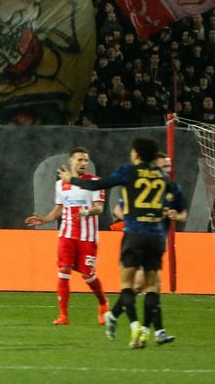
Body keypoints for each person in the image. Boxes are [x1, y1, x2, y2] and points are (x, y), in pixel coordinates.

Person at [60, 137, 186, 348]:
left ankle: (134, 325)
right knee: (152, 286)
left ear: (136, 154)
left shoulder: (129, 172)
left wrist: (70, 179)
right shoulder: (162, 176)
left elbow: (97, 184)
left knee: (128, 285)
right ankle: (149, 331)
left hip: (135, 235)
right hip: (156, 237)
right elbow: (179, 203)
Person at [24, 146, 109, 326]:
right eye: (80, 159)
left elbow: (99, 208)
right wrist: (44, 219)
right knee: (64, 271)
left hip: (87, 237)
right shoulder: (61, 184)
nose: (83, 163)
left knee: (88, 275)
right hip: (67, 235)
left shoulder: (95, 182)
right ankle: (63, 315)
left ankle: (103, 303)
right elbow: (59, 209)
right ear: (71, 161)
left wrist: (86, 212)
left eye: (86, 160)